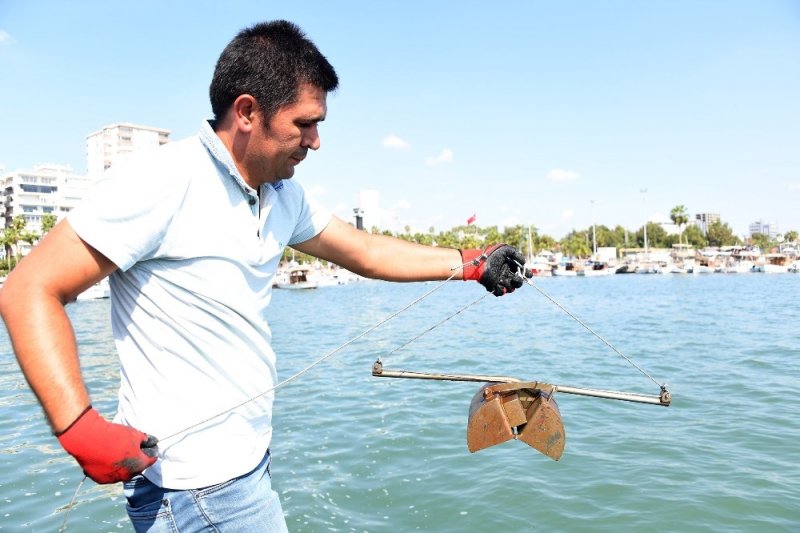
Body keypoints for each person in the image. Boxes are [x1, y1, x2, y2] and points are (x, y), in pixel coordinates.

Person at [0, 20, 529, 531]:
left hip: (245, 463)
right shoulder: (164, 180)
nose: (316, 141)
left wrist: (470, 263)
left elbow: (364, 251)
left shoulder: (281, 195)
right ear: (247, 111)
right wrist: (78, 427)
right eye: (304, 123)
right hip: (192, 488)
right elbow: (29, 288)